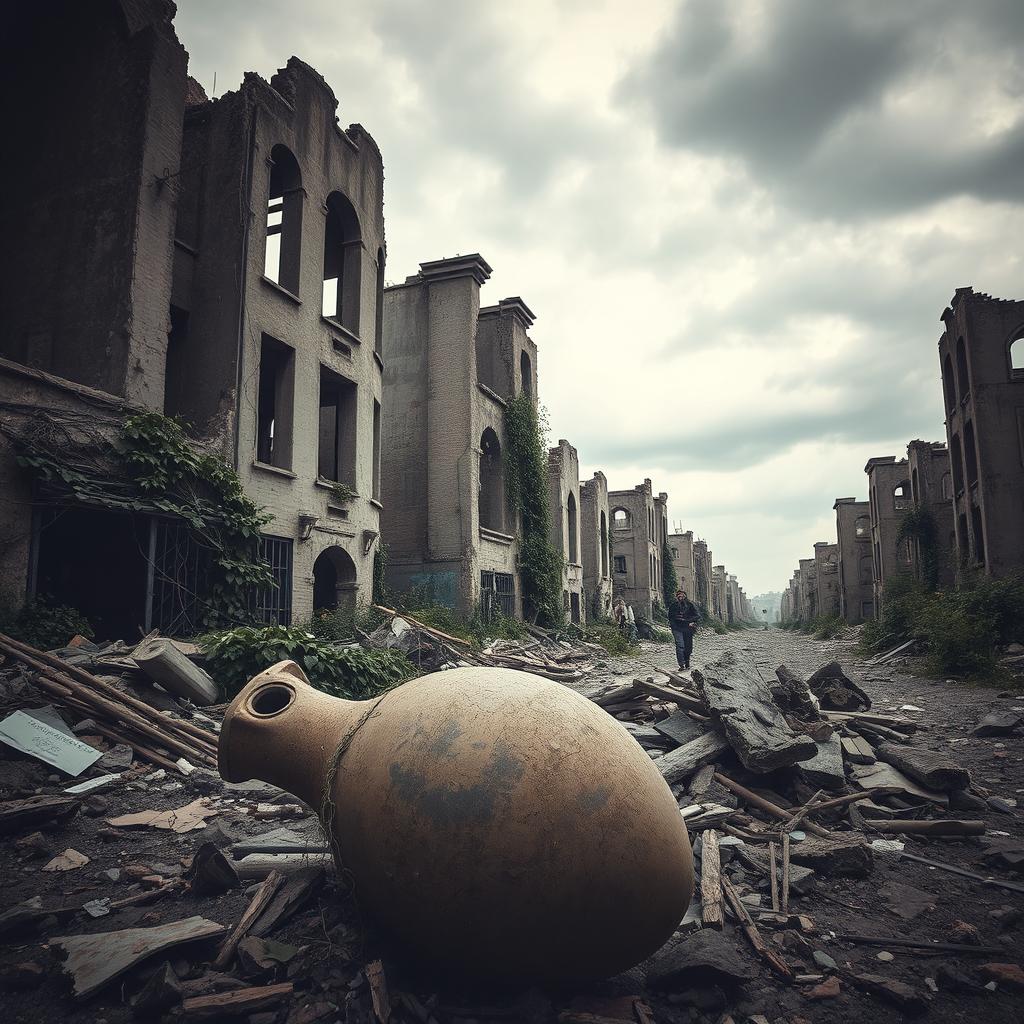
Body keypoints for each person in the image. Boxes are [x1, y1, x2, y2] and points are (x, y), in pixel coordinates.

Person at [667, 588, 699, 670]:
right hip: (677, 628)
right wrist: (673, 624)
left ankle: (687, 662)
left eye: (682, 595)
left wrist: (689, 621)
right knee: (680, 645)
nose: (680, 597)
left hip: (688, 628)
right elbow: (670, 617)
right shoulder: (673, 606)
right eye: (678, 595)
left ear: (685, 596)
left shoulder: (690, 605)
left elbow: (697, 615)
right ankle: (681, 664)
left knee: (688, 646)